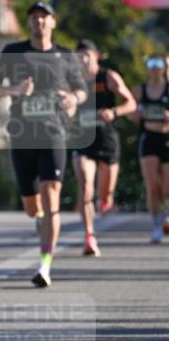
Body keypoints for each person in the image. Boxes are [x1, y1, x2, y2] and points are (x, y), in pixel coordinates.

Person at [0, 1, 87, 287]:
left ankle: (45, 266)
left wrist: (73, 99)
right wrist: (13, 89)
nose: (39, 21)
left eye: (44, 17)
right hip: (22, 136)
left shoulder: (66, 56)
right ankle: (39, 217)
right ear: (29, 23)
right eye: (34, 17)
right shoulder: (13, 53)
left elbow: (81, 89)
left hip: (54, 133)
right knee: (32, 206)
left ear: (52, 22)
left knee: (51, 195)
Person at [71, 40, 137, 256]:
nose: (83, 59)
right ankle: (89, 235)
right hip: (83, 140)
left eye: (87, 55)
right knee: (85, 183)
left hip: (108, 140)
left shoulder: (108, 77)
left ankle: (106, 200)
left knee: (105, 193)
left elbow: (131, 103)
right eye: (79, 55)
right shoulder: (73, 80)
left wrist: (114, 112)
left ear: (96, 56)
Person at [132, 54, 169, 243]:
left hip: (167, 138)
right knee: (152, 187)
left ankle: (166, 217)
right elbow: (128, 108)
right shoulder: (140, 89)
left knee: (167, 188)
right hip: (148, 138)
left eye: (159, 63)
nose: (155, 67)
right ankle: (156, 226)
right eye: (152, 63)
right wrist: (135, 113)